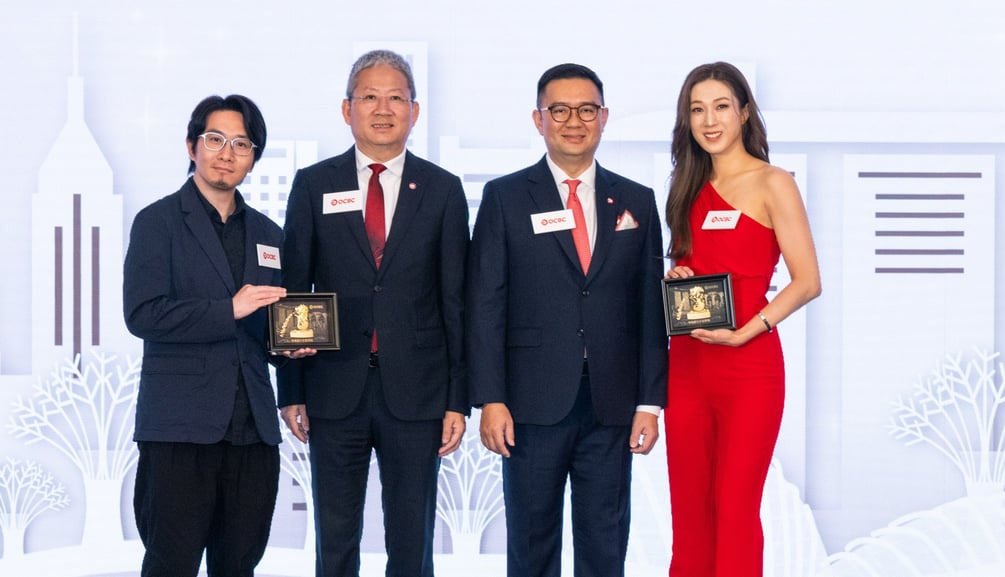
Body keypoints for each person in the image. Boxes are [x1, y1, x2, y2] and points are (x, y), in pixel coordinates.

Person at [467, 63, 668, 577]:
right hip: (529, 405)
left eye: (586, 110)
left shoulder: (637, 200)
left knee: (605, 545)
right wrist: (490, 398)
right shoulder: (506, 197)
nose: (573, 121)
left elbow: (650, 309)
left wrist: (649, 402)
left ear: (604, 117)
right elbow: (485, 303)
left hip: (611, 403)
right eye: (559, 110)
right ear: (539, 119)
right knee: (531, 546)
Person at [276, 49, 469, 577]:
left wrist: (458, 398)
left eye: (395, 98)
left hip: (419, 392)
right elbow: (294, 287)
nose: (383, 109)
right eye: (369, 97)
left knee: (412, 541)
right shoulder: (314, 184)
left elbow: (456, 300)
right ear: (347, 109)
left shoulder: (443, 190)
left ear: (415, 110)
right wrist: (291, 388)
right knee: (335, 538)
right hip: (333, 387)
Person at [662, 62, 821, 577]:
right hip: (687, 367)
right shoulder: (685, 185)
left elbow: (807, 281)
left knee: (734, 511)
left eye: (721, 107)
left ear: (745, 112)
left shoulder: (774, 183)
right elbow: (696, 268)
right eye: (697, 109)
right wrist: (679, 276)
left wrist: (748, 331)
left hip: (749, 366)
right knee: (690, 514)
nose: (709, 120)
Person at [123, 94, 289, 576]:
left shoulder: (269, 234)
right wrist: (228, 309)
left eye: (242, 143)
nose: (227, 153)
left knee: (239, 564)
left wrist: (289, 346)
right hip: (180, 428)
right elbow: (143, 314)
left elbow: (268, 325)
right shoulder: (157, 221)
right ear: (192, 146)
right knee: (171, 563)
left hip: (253, 429)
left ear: (254, 157)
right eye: (215, 139)